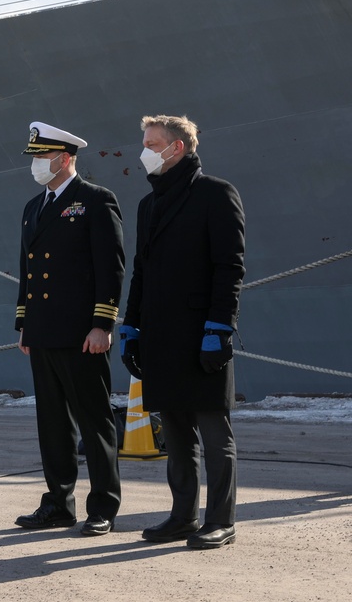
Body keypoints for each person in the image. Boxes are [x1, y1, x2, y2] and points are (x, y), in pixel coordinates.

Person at [121, 114, 245, 550]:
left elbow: (229, 267)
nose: (144, 151)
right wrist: (130, 327)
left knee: (214, 433)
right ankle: (182, 517)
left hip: (201, 335)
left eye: (151, 143)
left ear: (177, 148)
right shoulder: (147, 204)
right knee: (176, 434)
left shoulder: (215, 194)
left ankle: (221, 520)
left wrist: (219, 328)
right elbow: (141, 271)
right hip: (160, 336)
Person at [13, 122, 124, 536]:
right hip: (42, 332)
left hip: (81, 333)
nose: (37, 164)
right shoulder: (33, 207)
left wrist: (102, 324)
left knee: (94, 422)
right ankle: (58, 502)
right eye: (36, 157)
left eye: (43, 157)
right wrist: (24, 322)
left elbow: (110, 268)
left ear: (65, 157)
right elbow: (28, 272)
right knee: (53, 423)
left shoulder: (94, 200)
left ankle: (103, 507)